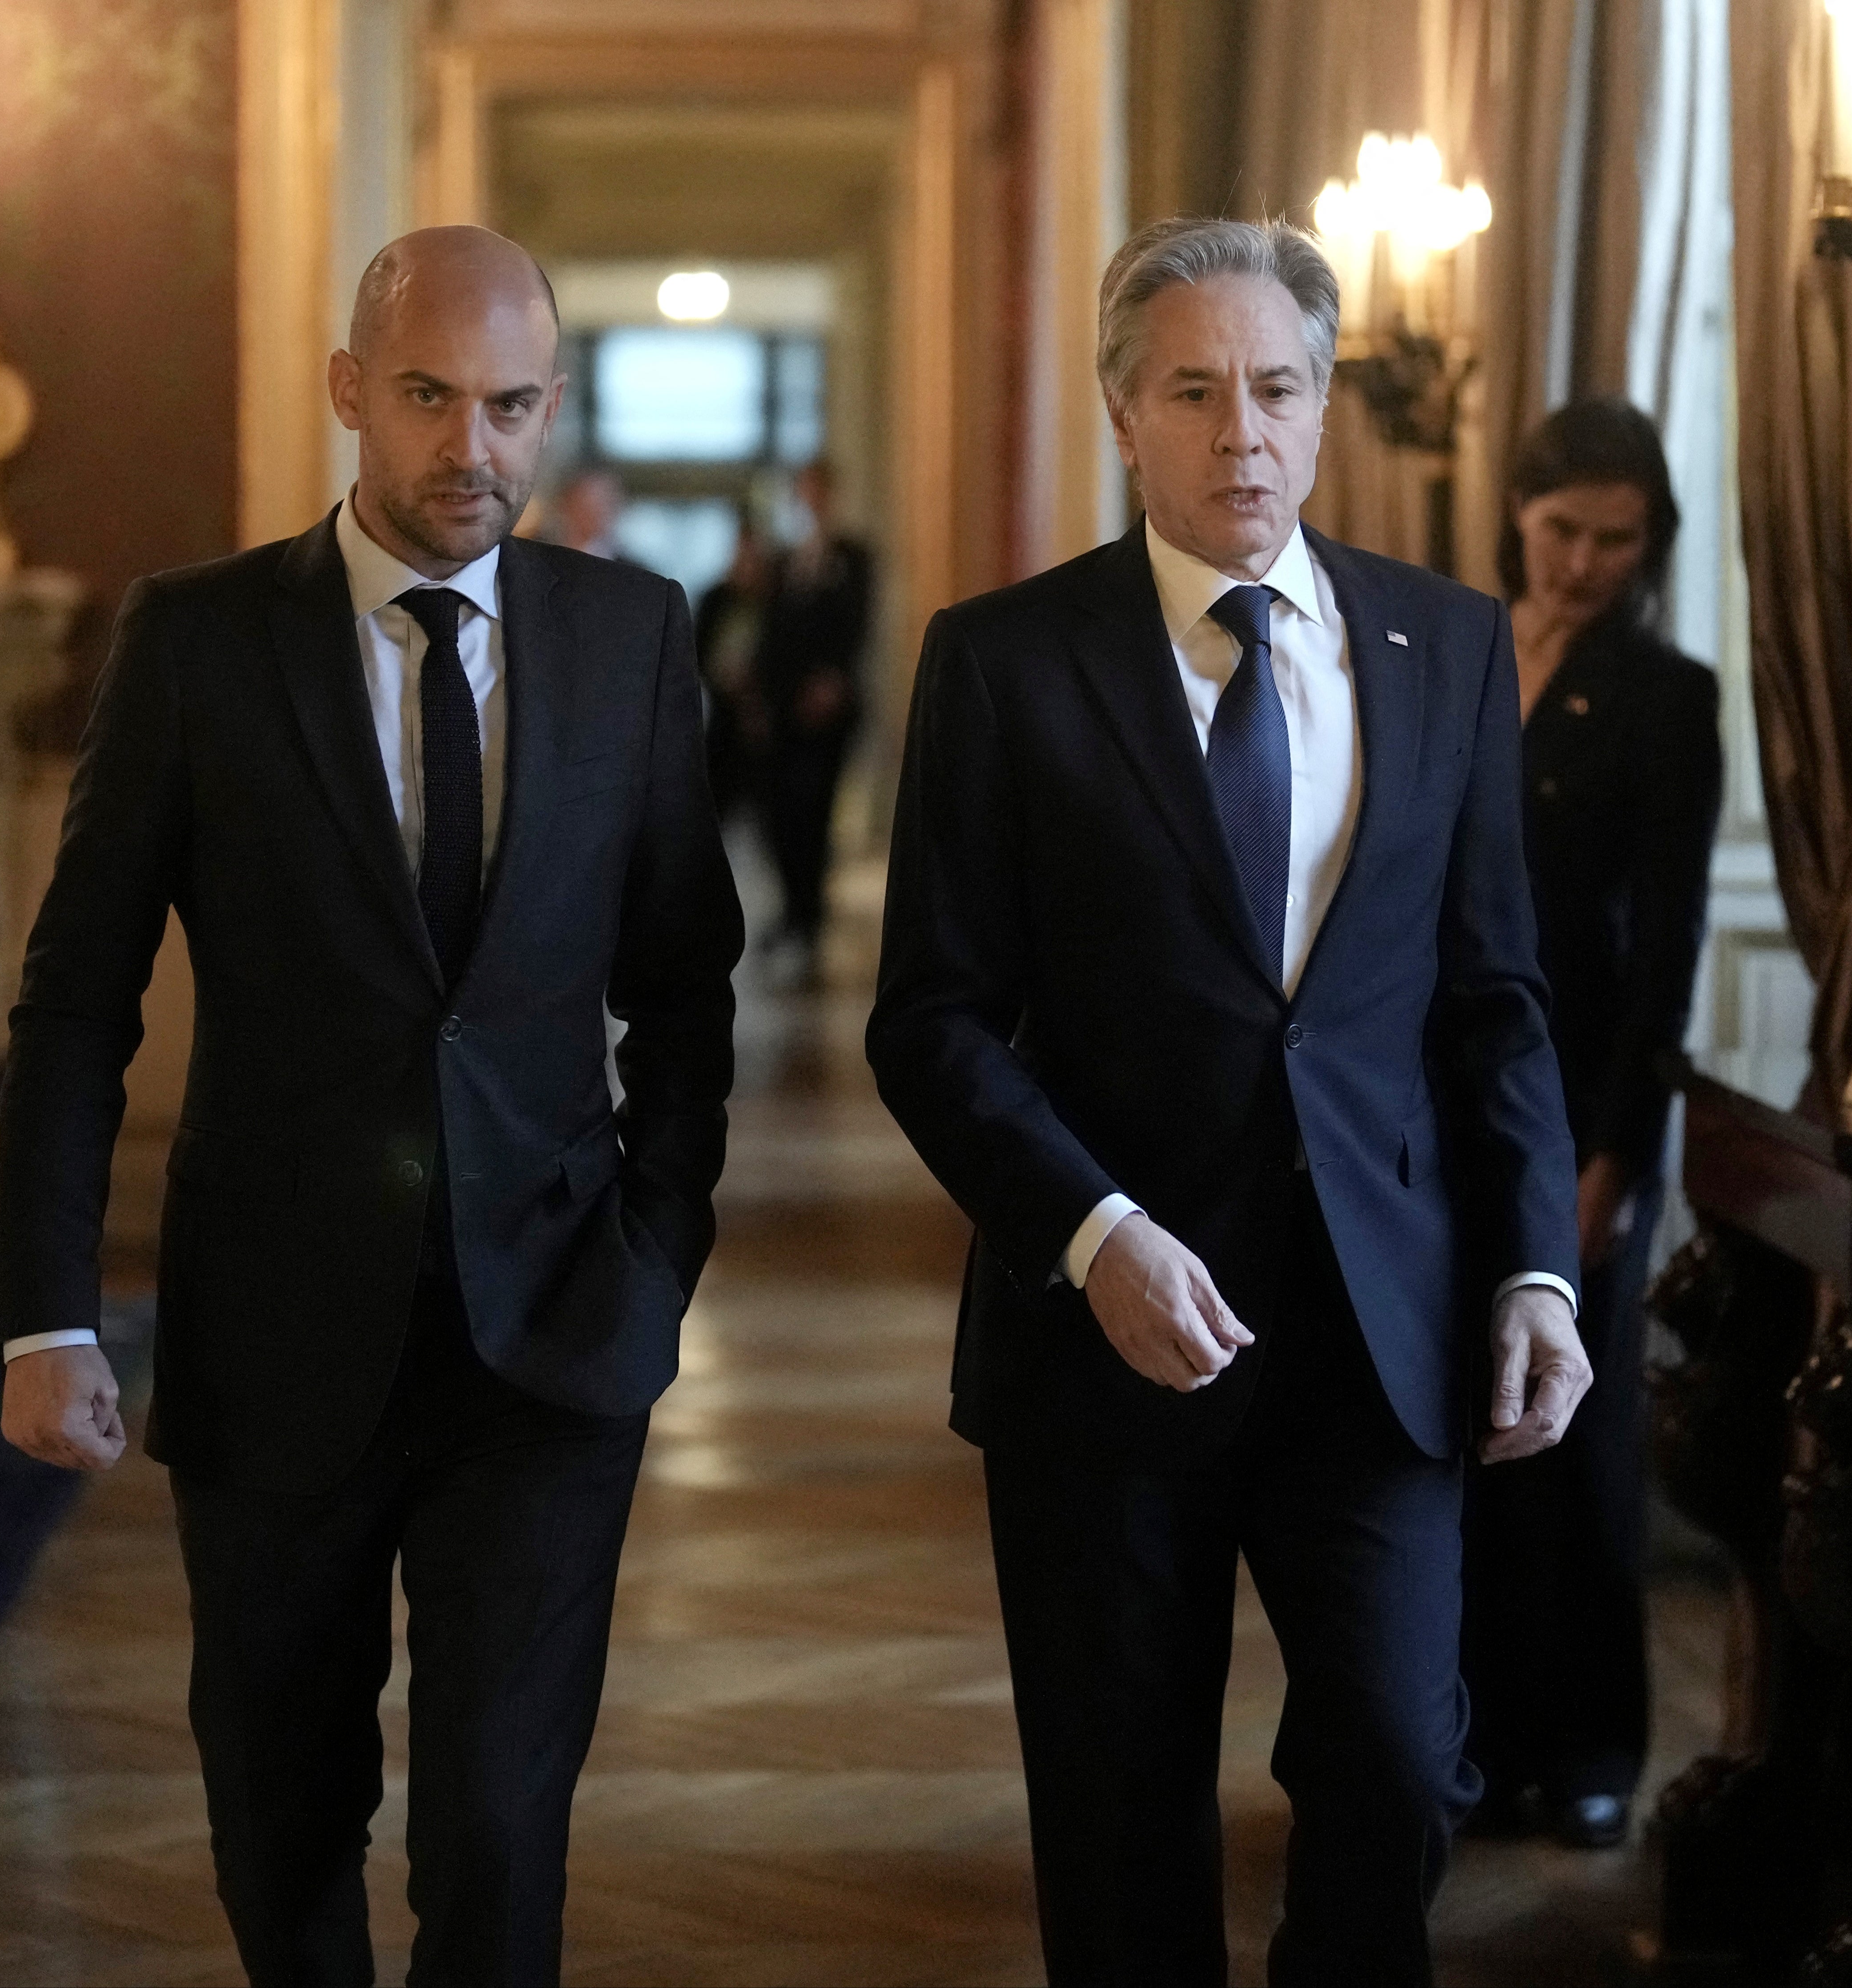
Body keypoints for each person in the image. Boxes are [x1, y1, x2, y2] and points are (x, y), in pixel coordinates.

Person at [0, 224, 743, 1988]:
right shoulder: (197, 642)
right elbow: (76, 997)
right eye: (425, 396)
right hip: (272, 1330)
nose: (467, 447)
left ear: (549, 411)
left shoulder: (630, 635)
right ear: (349, 391)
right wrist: (44, 1312)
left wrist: (655, 1255)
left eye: (507, 405)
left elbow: (687, 982)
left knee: (495, 1825)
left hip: (552, 1331)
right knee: (281, 1809)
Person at [868, 215, 1590, 1986]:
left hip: (1379, 1329)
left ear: (1323, 398)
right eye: (1193, 392)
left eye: (1274, 388)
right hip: (1105, 1340)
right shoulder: (1005, 661)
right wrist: (1088, 1233)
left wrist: (1532, 1272)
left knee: (1401, 1758)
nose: (1239, 433)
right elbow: (931, 1020)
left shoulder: (1442, 646)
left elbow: (1491, 1002)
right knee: (1120, 1820)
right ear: (1123, 412)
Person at [1458, 398, 1722, 1851]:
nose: (1587, 565)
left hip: (1583, 1104)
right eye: (1565, 532)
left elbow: (1669, 948)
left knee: (1579, 1438)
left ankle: (1593, 1748)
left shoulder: (1666, 698)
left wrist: (1617, 1157)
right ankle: (1482, 1746)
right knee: (1463, 1428)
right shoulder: (1446, 652)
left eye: (1619, 541)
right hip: (1443, 1103)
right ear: (1518, 515)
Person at [753, 459, 872, 970]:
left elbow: (858, 623)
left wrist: (833, 681)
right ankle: (794, 910)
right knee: (779, 813)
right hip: (783, 709)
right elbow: (771, 632)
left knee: (816, 811)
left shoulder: (854, 556)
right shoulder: (783, 560)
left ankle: (808, 917)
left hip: (830, 711)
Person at [693, 509, 776, 829]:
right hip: (724, 729)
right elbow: (697, 655)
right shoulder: (715, 600)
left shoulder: (777, 602)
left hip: (768, 730)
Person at [545, 462, 629, 561]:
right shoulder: (541, 554)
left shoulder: (630, 568)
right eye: (592, 501)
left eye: (608, 501)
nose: (602, 511)